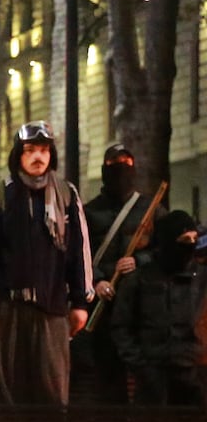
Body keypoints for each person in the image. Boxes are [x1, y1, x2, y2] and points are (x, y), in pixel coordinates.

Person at [0, 120, 94, 405]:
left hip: (52, 311)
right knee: (7, 400)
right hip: (5, 313)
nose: (38, 156)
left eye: (44, 149)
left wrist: (81, 302)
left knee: (52, 398)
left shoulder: (66, 195)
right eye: (30, 150)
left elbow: (78, 252)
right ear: (18, 155)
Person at [73, 144, 144, 403]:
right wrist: (98, 279)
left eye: (126, 162)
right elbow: (81, 254)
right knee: (107, 375)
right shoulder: (89, 212)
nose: (121, 169)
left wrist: (139, 260)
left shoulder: (147, 209)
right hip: (104, 307)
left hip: (138, 307)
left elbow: (161, 249)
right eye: (115, 164)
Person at [111, 209, 203, 406]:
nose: (191, 245)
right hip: (152, 377)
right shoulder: (139, 279)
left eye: (194, 239)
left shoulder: (203, 279)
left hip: (196, 374)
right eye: (185, 239)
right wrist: (140, 365)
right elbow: (121, 325)